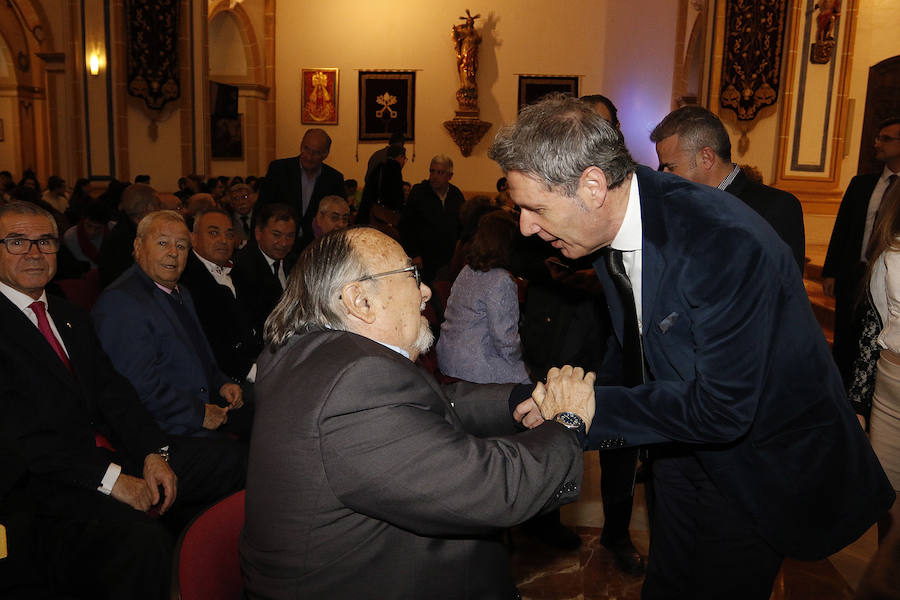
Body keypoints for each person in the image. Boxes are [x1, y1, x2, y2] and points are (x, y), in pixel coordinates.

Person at [488, 94, 894, 599]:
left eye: (534, 208)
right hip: (680, 445)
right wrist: (568, 397)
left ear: (593, 185)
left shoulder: (719, 241)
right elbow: (639, 346)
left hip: (755, 462)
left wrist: (588, 410)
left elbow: (724, 408)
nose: (526, 226)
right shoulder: (605, 226)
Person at [240, 226, 594, 599]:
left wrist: (517, 401)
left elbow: (432, 401)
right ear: (360, 300)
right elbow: (494, 489)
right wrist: (566, 422)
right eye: (411, 276)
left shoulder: (305, 352)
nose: (425, 291)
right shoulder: (355, 383)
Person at [0, 201, 244, 600]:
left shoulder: (68, 315)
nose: (33, 253)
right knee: (142, 544)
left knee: (225, 464)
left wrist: (150, 453)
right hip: (34, 485)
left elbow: (115, 395)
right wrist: (111, 480)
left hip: (99, 454)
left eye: (44, 241)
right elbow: (21, 437)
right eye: (16, 242)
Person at [92, 210, 250, 439]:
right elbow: (137, 387)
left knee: (270, 420)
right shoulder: (122, 302)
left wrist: (222, 383)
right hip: (161, 431)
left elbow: (200, 358)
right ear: (138, 247)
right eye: (163, 243)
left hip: (198, 404)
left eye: (182, 246)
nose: (173, 253)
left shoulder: (181, 292)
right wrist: (199, 414)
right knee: (242, 461)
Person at [650, 105, 806, 272]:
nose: (663, 176)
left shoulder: (775, 208)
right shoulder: (672, 205)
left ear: (706, 158)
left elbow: (782, 288)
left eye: (670, 167)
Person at [824, 117, 900, 388]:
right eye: (878, 137)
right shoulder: (862, 184)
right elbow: (842, 229)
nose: (877, 143)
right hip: (854, 272)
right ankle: (840, 393)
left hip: (889, 280)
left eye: (886, 139)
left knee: (876, 340)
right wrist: (831, 271)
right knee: (845, 338)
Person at [437, 210, 530, 384]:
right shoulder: (501, 280)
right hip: (475, 365)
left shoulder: (468, 270)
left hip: (447, 356)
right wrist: (525, 360)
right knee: (535, 382)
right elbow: (505, 341)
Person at [856, 181, 900, 535]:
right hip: (888, 390)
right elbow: (875, 328)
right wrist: (859, 399)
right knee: (887, 499)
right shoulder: (892, 251)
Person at [180, 207, 261, 385]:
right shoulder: (185, 281)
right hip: (221, 379)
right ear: (193, 238)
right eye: (213, 233)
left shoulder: (240, 272)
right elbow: (209, 344)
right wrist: (256, 372)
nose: (223, 240)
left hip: (256, 362)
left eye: (229, 234)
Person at [258, 128, 344, 250]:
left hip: (315, 247)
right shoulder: (279, 170)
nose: (308, 156)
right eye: (306, 149)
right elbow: (262, 208)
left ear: (325, 154)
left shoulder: (334, 179)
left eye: (315, 153)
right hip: (279, 244)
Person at [231, 203, 298, 345]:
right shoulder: (242, 267)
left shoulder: (295, 262)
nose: (284, 243)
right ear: (258, 233)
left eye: (290, 236)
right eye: (276, 235)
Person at [399, 154, 465, 284]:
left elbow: (462, 226)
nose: (434, 176)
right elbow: (406, 226)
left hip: (448, 259)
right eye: (432, 171)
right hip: (424, 258)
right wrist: (414, 254)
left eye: (440, 172)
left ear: (449, 176)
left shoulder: (456, 195)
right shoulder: (419, 193)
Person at [98, 182, 160, 287]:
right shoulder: (124, 239)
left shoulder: (124, 229)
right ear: (148, 208)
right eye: (158, 205)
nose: (160, 211)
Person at [62, 200, 110, 270]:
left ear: (105, 225)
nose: (92, 232)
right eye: (88, 225)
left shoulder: (113, 229)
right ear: (83, 220)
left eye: (98, 228)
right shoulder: (71, 236)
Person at [229, 182, 256, 248]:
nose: (241, 202)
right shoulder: (227, 221)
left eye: (245, 197)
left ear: (252, 198)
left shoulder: (262, 218)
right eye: (236, 199)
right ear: (231, 203)